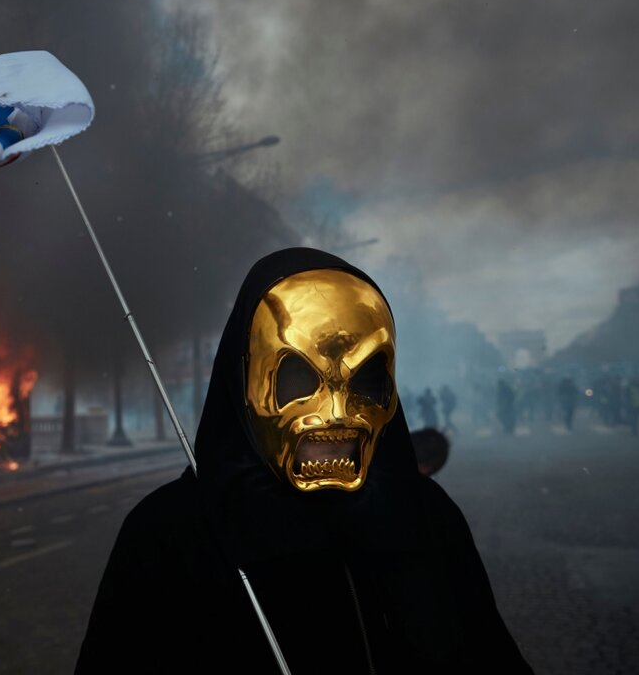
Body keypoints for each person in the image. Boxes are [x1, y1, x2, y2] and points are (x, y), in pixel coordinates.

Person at [77, 248, 531, 673]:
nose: (337, 413)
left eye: (366, 381)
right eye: (297, 378)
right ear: (245, 385)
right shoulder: (169, 535)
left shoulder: (425, 516)